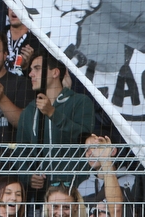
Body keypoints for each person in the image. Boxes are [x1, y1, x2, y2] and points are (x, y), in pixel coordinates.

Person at [17, 51, 94, 187]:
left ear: (55, 73)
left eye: (37, 68)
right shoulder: (29, 111)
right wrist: (28, 176)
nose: (30, 74)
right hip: (43, 196)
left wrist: (53, 113)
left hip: (77, 190)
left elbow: (86, 139)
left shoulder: (80, 102)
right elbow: (20, 154)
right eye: (30, 70)